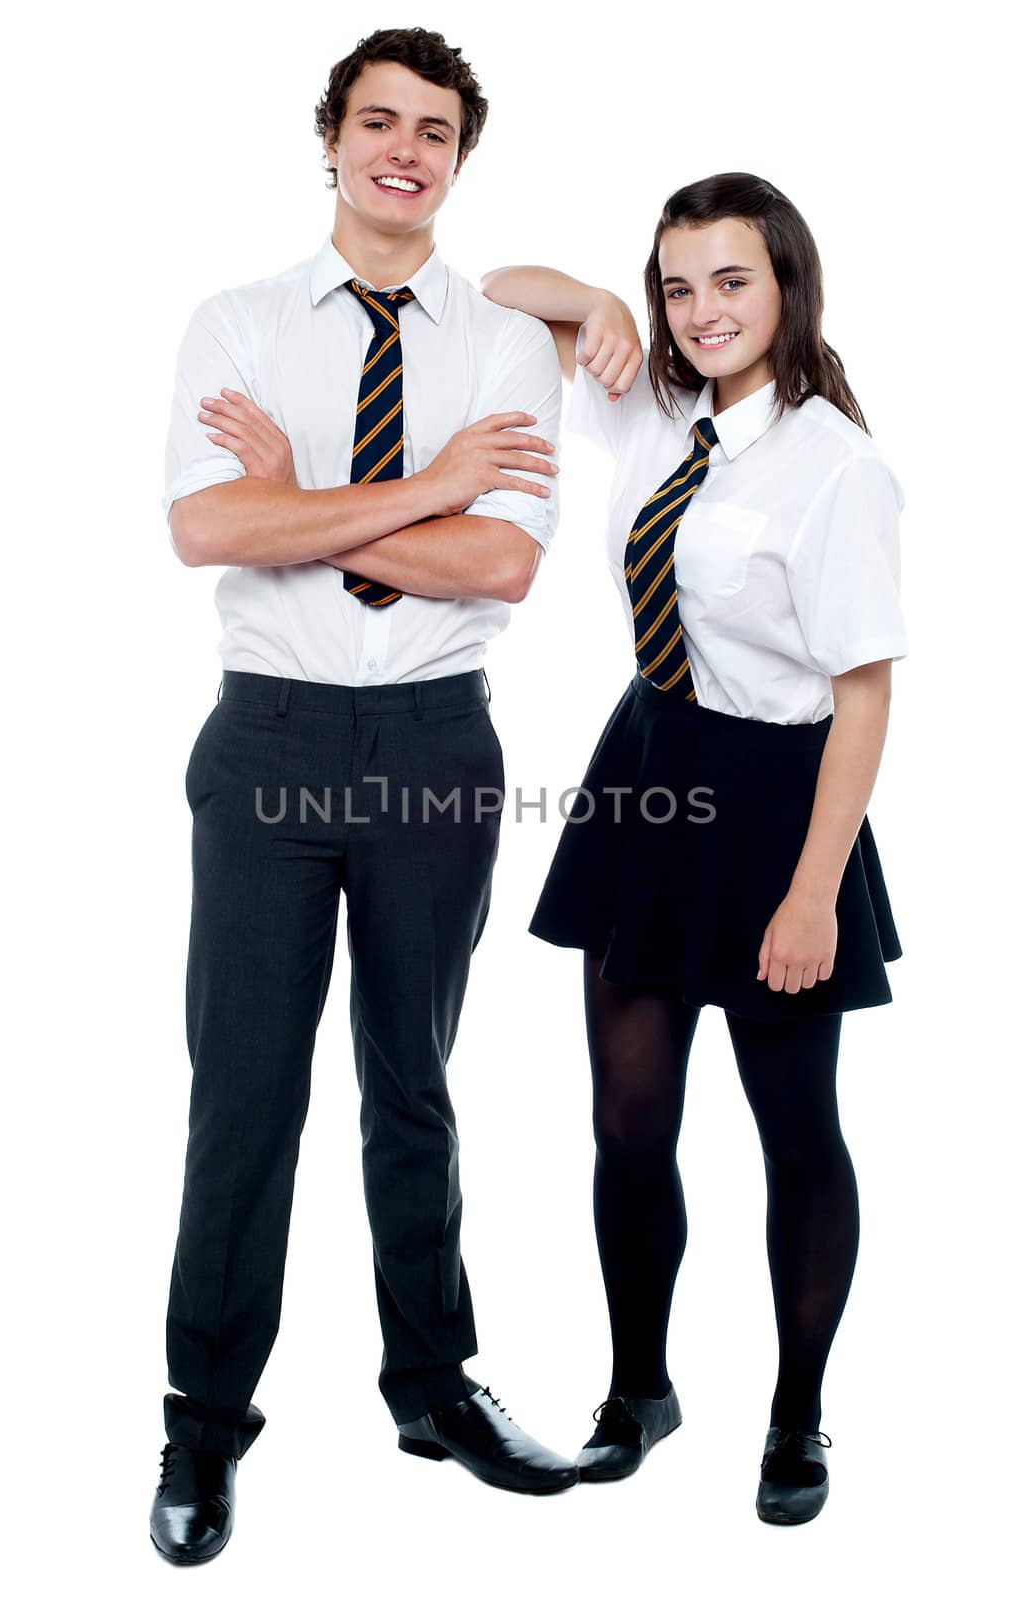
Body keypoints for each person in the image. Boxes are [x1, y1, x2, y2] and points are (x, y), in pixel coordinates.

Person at [150, 26, 578, 1567]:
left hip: (437, 745)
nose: (405, 148)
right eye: (378, 121)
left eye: (436, 130)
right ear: (328, 139)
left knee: (415, 1084)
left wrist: (304, 506)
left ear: (461, 160)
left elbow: (503, 565)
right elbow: (206, 529)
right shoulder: (239, 322)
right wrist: (424, 486)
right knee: (243, 1097)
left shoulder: (504, 346)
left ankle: (432, 1386)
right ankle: (203, 1429)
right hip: (265, 741)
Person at [480, 171, 909, 1525]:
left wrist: (811, 895)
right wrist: (606, 303)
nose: (703, 309)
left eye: (731, 279)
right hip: (647, 767)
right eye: (679, 284)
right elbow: (496, 296)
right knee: (625, 1119)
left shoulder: (837, 466)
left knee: (794, 1133)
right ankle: (638, 1390)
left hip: (781, 798)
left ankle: (796, 1421)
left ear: (787, 282)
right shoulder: (659, 408)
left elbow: (863, 692)